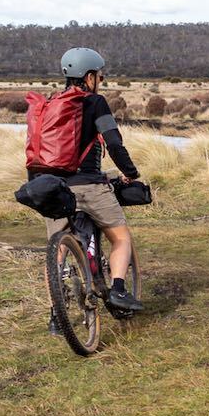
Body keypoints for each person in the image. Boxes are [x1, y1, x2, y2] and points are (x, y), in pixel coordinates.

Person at [29, 47, 144, 315]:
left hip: (51, 188)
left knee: (56, 253)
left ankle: (57, 315)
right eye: (100, 77)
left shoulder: (49, 104)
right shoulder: (94, 103)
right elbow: (113, 143)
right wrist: (131, 172)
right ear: (89, 76)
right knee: (121, 238)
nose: (101, 82)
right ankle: (117, 291)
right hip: (89, 185)